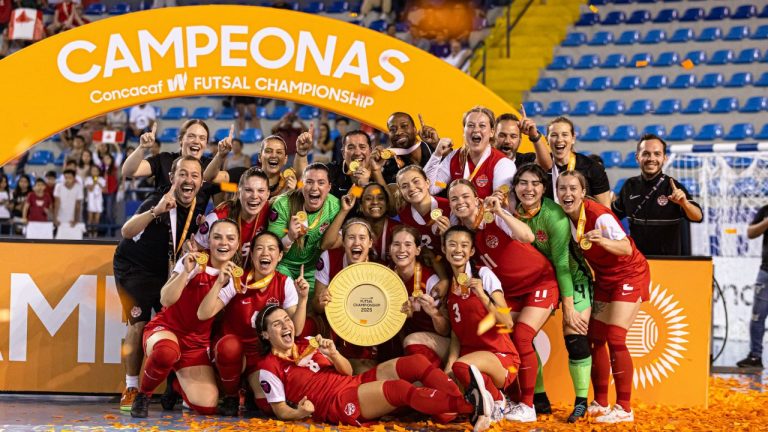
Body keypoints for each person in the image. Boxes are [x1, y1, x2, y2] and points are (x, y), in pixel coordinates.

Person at [255, 305, 490, 429]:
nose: (286, 325)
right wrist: (301, 412)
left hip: (350, 382)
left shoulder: (306, 343)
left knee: (415, 363)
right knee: (398, 389)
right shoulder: (268, 366)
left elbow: (346, 371)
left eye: (287, 319)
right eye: (277, 324)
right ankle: (469, 405)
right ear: (266, 334)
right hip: (337, 402)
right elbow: (281, 411)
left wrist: (334, 354)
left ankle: (463, 402)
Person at [442, 179, 558, 423]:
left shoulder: (493, 215)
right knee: (503, 329)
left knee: (523, 335)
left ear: (476, 198)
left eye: (465, 196)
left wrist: (501, 212)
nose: (460, 202)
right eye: (454, 199)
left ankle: (528, 405)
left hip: (539, 282)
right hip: (511, 292)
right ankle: (504, 398)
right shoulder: (461, 231)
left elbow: (526, 236)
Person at [556, 170, 650, 423]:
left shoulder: (599, 216)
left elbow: (626, 248)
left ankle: (625, 408)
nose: (567, 193)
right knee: (595, 338)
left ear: (583, 192)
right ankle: (600, 402)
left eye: (573, 188)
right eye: (562, 188)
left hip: (629, 274)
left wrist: (603, 241)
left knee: (615, 337)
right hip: (605, 278)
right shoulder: (563, 218)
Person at [113, 156, 206, 412]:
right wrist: (155, 212)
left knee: (173, 323)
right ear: (172, 178)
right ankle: (132, 386)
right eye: (183, 174)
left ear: (201, 181)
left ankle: (173, 388)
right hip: (135, 270)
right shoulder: (158, 200)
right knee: (139, 323)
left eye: (194, 175)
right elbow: (126, 232)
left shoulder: (199, 206)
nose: (188, 180)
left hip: (166, 271)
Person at [130, 218, 241, 418]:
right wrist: (186, 273)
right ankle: (143, 396)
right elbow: (166, 299)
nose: (224, 243)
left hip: (195, 344)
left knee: (208, 406)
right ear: (209, 241)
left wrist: (218, 283)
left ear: (238, 244)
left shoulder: (233, 279)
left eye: (230, 238)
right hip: (166, 329)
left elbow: (203, 314)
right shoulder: (192, 261)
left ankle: (175, 383)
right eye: (217, 237)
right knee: (165, 352)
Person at [512, 164, 594, 422]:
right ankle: (539, 398)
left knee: (576, 338)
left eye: (535, 183)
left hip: (572, 278)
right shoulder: (512, 212)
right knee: (523, 336)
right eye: (523, 183)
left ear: (544, 188)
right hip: (537, 283)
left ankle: (582, 402)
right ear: (515, 187)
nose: (529, 189)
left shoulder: (554, 215)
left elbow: (561, 263)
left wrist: (568, 304)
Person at [196, 231, 310, 415]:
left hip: (262, 353)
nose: (265, 253)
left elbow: (295, 331)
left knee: (267, 404)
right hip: (233, 351)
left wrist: (303, 299)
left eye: (271, 249)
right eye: (259, 248)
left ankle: (248, 389)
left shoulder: (284, 282)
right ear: (252, 254)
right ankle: (231, 395)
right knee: (229, 347)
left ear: (280, 255)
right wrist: (219, 283)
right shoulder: (238, 280)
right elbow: (203, 314)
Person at [441, 225, 520, 426]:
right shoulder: (449, 285)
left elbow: (507, 322)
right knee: (445, 409)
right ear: (444, 249)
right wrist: (448, 368)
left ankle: (498, 400)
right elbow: (456, 334)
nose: (458, 250)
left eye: (464, 245)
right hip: (468, 361)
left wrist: (483, 296)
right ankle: (480, 400)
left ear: (472, 251)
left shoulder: (483, 275)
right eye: (452, 244)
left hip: (500, 358)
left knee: (462, 366)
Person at [314, 218, 402, 372]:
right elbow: (316, 306)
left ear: (370, 243)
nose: (356, 243)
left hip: (371, 331)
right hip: (337, 329)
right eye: (351, 237)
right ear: (343, 241)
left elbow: (392, 311)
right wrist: (321, 301)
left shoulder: (382, 270)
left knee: (368, 369)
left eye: (362, 238)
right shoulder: (329, 258)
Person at [611, 134, 703, 256]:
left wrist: (684, 203)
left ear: (665, 158)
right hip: (637, 264)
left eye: (657, 154)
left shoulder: (673, 186)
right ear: (637, 157)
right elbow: (611, 214)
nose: (651, 158)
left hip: (669, 264)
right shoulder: (629, 186)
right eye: (646, 153)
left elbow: (698, 217)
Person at [267, 163, 340, 300]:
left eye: (321, 182)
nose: (314, 187)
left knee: (313, 308)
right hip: (283, 265)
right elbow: (271, 249)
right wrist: (289, 237)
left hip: (313, 269)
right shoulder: (283, 205)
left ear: (329, 187)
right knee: (282, 303)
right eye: (309, 182)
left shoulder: (335, 206)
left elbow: (334, 242)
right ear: (301, 185)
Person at [121, 120, 215, 214]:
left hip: (193, 227)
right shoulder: (164, 160)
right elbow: (129, 171)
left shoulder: (211, 167)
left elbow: (219, 205)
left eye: (202, 138)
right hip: (161, 225)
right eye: (191, 136)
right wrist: (142, 147)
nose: (196, 141)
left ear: (206, 144)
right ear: (180, 140)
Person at [426, 106, 515, 199]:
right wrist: (437, 154)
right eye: (470, 125)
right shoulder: (454, 157)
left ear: (492, 132)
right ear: (464, 131)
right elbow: (431, 188)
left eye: (482, 125)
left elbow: (502, 204)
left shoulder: (503, 164)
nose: (476, 130)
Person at [392, 225, 451, 368]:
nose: (401, 250)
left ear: (417, 250)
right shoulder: (387, 276)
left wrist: (434, 313)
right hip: (405, 341)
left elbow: (446, 330)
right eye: (396, 244)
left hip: (437, 343)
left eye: (408, 245)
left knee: (411, 341)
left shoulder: (431, 281)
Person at [193, 167, 271, 261]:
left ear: (268, 194)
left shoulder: (272, 210)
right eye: (248, 190)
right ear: (238, 192)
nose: (254, 196)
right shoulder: (216, 218)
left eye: (261, 191)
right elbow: (194, 250)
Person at [320, 183, 398, 263]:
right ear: (361, 205)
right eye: (368, 198)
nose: (375, 202)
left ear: (387, 204)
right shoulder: (354, 226)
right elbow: (326, 245)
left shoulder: (397, 229)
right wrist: (344, 211)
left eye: (380, 198)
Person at [543, 117, 611, 207]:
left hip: (582, 220)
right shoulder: (540, 167)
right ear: (546, 139)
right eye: (554, 135)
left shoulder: (592, 168)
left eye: (565, 134)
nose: (559, 139)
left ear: (573, 139)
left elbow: (605, 210)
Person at [736, 205, 768, 369]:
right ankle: (755, 356)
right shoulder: (765, 210)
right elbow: (750, 233)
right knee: (757, 316)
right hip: (766, 271)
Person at [396, 165, 451, 253]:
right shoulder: (403, 215)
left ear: (427, 183)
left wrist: (450, 235)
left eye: (416, 181)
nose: (412, 188)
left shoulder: (449, 206)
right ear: (401, 191)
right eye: (405, 186)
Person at [377, 112, 437, 185]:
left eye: (404, 126)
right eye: (392, 129)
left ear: (415, 130)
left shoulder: (435, 149)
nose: (398, 132)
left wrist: (436, 143)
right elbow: (387, 194)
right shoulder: (387, 164)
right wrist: (375, 170)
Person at [326, 130, 386, 198]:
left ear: (370, 151)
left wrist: (376, 172)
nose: (357, 153)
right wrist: (358, 186)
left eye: (362, 147)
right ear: (343, 153)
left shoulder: (380, 172)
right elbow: (344, 207)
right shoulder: (329, 172)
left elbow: (387, 204)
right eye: (351, 148)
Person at [84, 165, 105, 238]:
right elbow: (90, 189)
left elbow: (104, 190)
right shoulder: (88, 179)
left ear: (98, 172)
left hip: (98, 201)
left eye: (96, 171)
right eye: (93, 171)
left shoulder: (102, 179)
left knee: (97, 219)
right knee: (90, 218)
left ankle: (95, 233)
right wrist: (94, 182)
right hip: (90, 201)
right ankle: (89, 233)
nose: (94, 172)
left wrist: (98, 183)